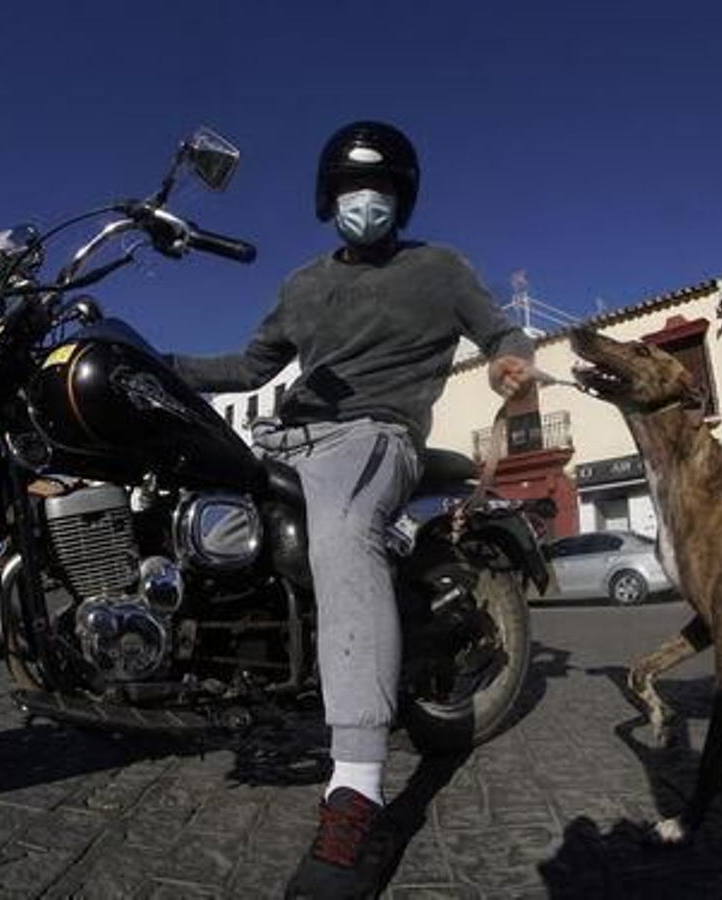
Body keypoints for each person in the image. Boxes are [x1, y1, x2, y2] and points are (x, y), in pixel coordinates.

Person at [166, 120, 534, 897]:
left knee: (341, 532)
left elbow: (499, 328)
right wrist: (163, 364)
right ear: (327, 199)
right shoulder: (302, 284)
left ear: (400, 199)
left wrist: (512, 358)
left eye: (381, 190)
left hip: (374, 434)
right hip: (284, 436)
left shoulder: (439, 267)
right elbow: (249, 364)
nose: (364, 201)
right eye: (348, 189)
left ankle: (356, 789)